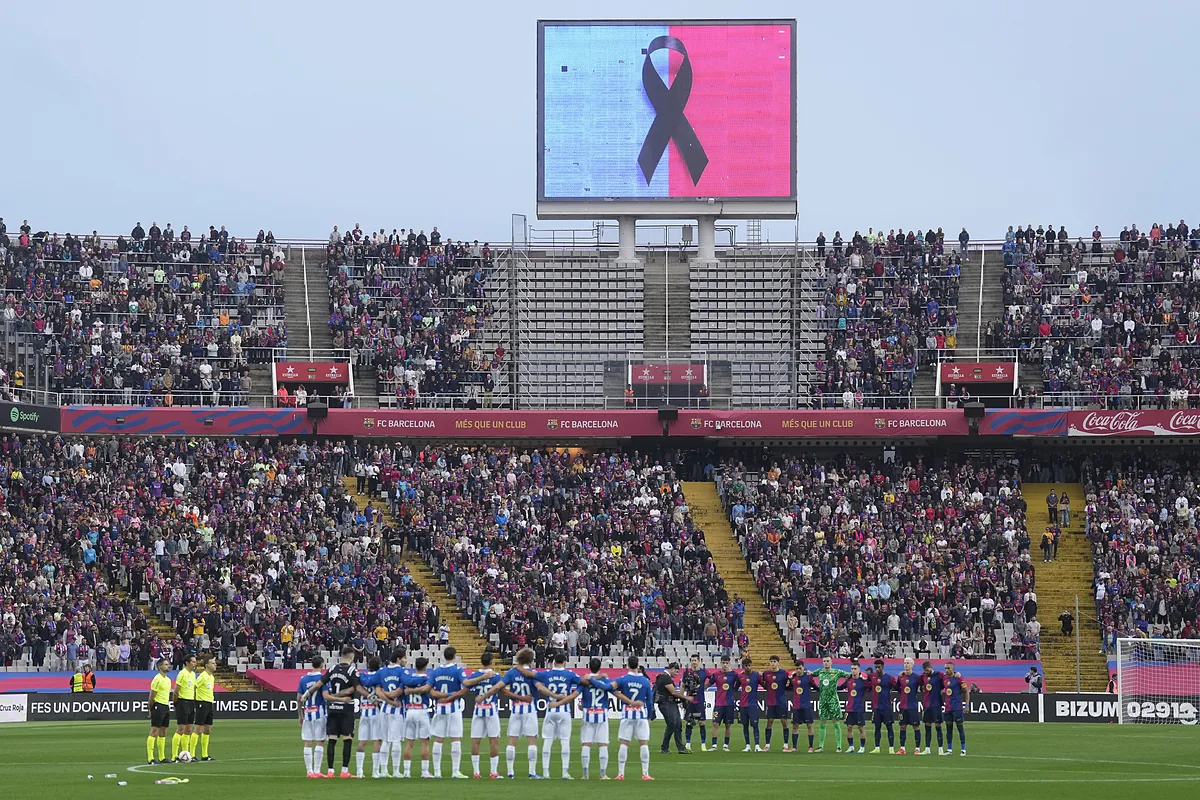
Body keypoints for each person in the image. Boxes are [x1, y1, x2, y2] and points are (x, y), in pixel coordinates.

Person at [475, 646, 562, 779]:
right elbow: (540, 688)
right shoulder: (532, 673)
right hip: (529, 710)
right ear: (531, 660)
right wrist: (555, 696)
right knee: (532, 740)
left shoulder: (512, 673)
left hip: (515, 710)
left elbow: (498, 687)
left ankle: (510, 772)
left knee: (512, 740)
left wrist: (483, 696)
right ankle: (532, 772)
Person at [301, 644, 362, 777]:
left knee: (332, 739)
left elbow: (320, 683)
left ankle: (330, 771)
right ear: (352, 657)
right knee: (347, 738)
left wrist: (308, 692)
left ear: (341, 656)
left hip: (332, 709)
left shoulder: (333, 668)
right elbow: (356, 688)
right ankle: (344, 771)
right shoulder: (353, 670)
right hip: (346, 709)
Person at [534, 651, 583, 777]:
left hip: (550, 710)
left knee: (547, 741)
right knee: (565, 741)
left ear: (553, 662)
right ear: (565, 662)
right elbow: (583, 684)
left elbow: (534, 680)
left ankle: (545, 772)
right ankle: (565, 772)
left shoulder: (546, 673)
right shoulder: (569, 674)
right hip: (564, 710)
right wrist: (573, 695)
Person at [613, 656, 655, 781]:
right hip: (641, 715)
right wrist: (649, 717)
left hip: (627, 714)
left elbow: (612, 689)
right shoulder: (645, 681)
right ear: (638, 665)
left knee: (624, 744)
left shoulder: (623, 679)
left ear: (627, 665)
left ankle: (621, 773)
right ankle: (645, 773)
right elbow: (650, 701)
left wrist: (623, 698)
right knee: (644, 744)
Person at [578, 658, 615, 779]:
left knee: (586, 744)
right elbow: (611, 689)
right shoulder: (604, 680)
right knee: (603, 744)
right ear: (600, 667)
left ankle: (585, 774)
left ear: (589, 666)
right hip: (602, 715)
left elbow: (578, 691)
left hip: (587, 713)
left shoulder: (585, 681)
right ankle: (603, 774)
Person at [468, 651, 503, 779]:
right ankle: (493, 772)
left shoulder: (475, 675)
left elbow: (467, 685)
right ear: (491, 662)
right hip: (492, 710)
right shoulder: (496, 676)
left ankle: (476, 772)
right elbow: (502, 689)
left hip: (478, 710)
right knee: (493, 741)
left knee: (476, 741)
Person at [376, 648, 409, 778]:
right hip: (397, 709)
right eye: (404, 658)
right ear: (398, 659)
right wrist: (393, 701)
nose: (406, 661)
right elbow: (400, 691)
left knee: (385, 740)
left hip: (384, 709)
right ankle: (395, 771)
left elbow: (378, 691)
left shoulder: (382, 671)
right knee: (396, 740)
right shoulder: (402, 671)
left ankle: (384, 770)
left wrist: (387, 700)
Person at [297, 655, 328, 778]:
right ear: (322, 665)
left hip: (307, 712)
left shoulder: (303, 679)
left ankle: (309, 771)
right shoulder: (323, 678)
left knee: (307, 742)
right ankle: (317, 770)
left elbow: (298, 699)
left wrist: (300, 715)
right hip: (319, 712)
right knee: (320, 741)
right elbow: (326, 696)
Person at [812, 656, 850, 753]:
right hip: (823, 701)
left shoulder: (837, 672)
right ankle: (820, 746)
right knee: (822, 723)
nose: (826, 663)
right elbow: (809, 674)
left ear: (831, 662)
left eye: (827, 661)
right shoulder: (819, 672)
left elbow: (849, 675)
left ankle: (839, 746)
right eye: (824, 661)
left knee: (836, 722)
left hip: (833, 700)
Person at [353, 656, 383, 778]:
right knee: (377, 741)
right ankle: (375, 771)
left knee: (362, 742)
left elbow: (359, 687)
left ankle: (359, 771)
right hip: (375, 712)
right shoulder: (380, 676)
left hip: (364, 712)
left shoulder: (362, 676)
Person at [654, 661, 691, 755]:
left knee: (677, 724)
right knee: (672, 724)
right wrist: (686, 697)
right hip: (666, 703)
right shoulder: (665, 677)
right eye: (677, 671)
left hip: (671, 703)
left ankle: (680, 747)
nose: (677, 674)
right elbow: (673, 692)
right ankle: (665, 747)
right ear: (673, 669)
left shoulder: (665, 677)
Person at [708, 655, 739, 751]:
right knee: (715, 724)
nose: (725, 665)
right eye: (723, 663)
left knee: (728, 725)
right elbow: (708, 684)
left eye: (727, 663)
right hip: (719, 704)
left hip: (729, 704)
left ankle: (726, 745)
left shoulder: (734, 674)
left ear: (729, 664)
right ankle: (714, 745)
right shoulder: (716, 674)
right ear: (720, 663)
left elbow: (738, 684)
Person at [171, 654, 197, 762]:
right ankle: (174, 756)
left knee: (188, 729)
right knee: (181, 729)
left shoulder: (193, 674)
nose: (195, 664)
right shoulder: (182, 674)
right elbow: (176, 690)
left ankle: (186, 754)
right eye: (193, 662)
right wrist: (176, 702)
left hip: (191, 702)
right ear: (187, 663)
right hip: (182, 702)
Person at [761, 656, 790, 752]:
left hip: (781, 701)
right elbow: (763, 684)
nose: (772, 663)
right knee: (769, 722)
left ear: (778, 663)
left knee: (784, 722)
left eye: (774, 661)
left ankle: (785, 745)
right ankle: (767, 745)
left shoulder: (784, 673)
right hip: (771, 702)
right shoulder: (766, 674)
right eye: (771, 661)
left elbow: (789, 684)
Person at [681, 655, 709, 752]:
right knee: (689, 722)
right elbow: (683, 685)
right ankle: (688, 744)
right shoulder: (687, 672)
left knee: (701, 722)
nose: (694, 662)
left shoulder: (704, 672)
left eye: (695, 660)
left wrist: (705, 686)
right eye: (692, 660)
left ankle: (703, 744)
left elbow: (712, 679)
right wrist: (681, 698)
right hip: (690, 702)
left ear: (699, 661)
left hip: (700, 702)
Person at [895, 657, 923, 755]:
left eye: (908, 663)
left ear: (912, 665)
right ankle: (902, 748)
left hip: (913, 706)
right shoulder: (900, 677)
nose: (906, 665)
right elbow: (897, 688)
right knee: (902, 726)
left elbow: (923, 686)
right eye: (904, 663)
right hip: (903, 706)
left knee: (916, 726)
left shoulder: (917, 677)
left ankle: (917, 748)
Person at [867, 659, 896, 754]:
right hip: (876, 707)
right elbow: (865, 683)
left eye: (879, 667)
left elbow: (897, 687)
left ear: (883, 667)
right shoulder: (872, 676)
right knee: (877, 727)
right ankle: (877, 747)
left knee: (889, 727)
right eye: (876, 667)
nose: (877, 669)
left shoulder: (889, 678)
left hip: (886, 707)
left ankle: (891, 747)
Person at [147, 658, 172, 765]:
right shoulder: (157, 679)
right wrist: (151, 709)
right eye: (166, 664)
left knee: (163, 732)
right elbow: (151, 696)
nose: (168, 666)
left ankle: (162, 757)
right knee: (154, 731)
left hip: (165, 706)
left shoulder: (168, 679)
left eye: (168, 664)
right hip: (158, 706)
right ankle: (150, 758)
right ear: (160, 667)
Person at [788, 661, 817, 753]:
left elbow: (815, 686)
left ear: (803, 668)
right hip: (796, 706)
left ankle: (811, 747)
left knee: (809, 725)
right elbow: (788, 687)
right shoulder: (793, 678)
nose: (798, 670)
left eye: (800, 668)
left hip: (806, 705)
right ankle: (794, 747)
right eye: (796, 669)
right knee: (795, 726)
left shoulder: (808, 677)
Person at [942, 662, 969, 756]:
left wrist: (967, 705)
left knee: (960, 728)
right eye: (945, 668)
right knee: (948, 729)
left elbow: (966, 691)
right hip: (948, 708)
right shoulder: (944, 678)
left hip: (957, 707)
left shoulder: (958, 678)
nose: (947, 670)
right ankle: (949, 749)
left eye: (948, 668)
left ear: (953, 668)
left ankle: (963, 750)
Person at [842, 661, 869, 754]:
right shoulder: (849, 680)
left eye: (855, 669)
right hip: (849, 708)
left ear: (859, 670)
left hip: (859, 708)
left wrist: (867, 677)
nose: (853, 671)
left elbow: (871, 686)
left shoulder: (863, 681)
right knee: (849, 727)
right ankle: (851, 747)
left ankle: (862, 747)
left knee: (861, 728)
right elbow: (841, 687)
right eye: (852, 669)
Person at [919, 660, 946, 755]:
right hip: (927, 704)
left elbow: (947, 680)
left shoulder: (939, 675)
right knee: (927, 726)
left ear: (931, 667)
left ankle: (940, 749)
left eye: (927, 670)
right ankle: (927, 748)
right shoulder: (923, 676)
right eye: (924, 670)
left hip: (936, 704)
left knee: (938, 726)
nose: (926, 672)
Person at [194, 656, 216, 762]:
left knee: (207, 729)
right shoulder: (202, 676)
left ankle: (205, 755)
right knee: (198, 728)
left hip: (209, 703)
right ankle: (192, 754)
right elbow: (194, 687)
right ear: (207, 665)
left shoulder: (211, 677)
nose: (215, 664)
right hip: (202, 703)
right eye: (212, 663)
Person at [737, 657, 762, 751]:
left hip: (753, 704)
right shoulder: (740, 676)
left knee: (755, 725)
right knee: (745, 725)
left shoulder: (756, 675)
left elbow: (764, 685)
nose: (747, 667)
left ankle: (757, 745)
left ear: (751, 665)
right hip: (743, 704)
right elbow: (735, 688)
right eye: (746, 666)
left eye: (749, 665)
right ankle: (747, 745)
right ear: (743, 666)